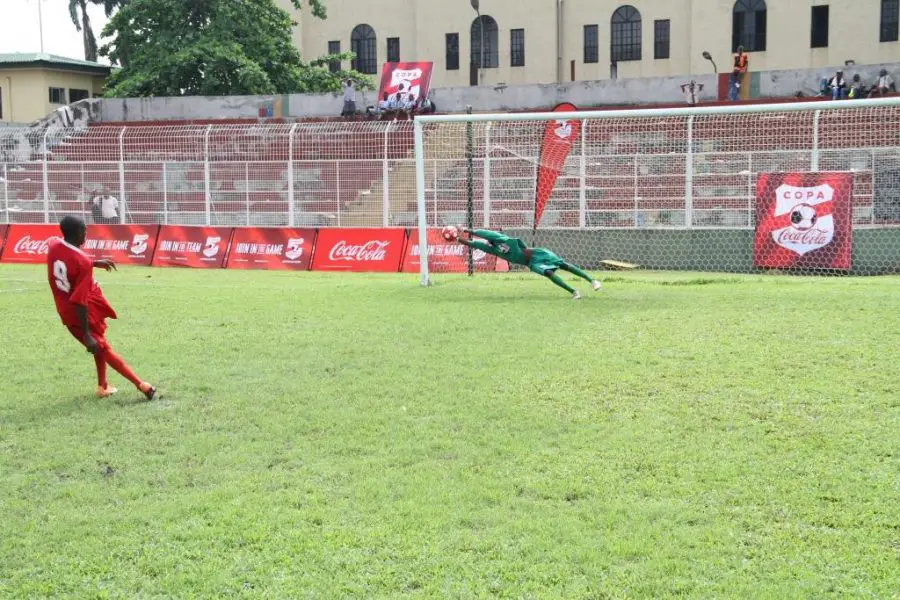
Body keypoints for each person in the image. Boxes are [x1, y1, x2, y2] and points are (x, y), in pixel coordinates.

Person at [47, 215, 157, 400]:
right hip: (77, 313)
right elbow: (79, 301)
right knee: (102, 347)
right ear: (77, 233)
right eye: (84, 230)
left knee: (100, 346)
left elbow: (69, 259)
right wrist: (86, 334)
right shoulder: (82, 261)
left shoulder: (53, 245)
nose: (86, 234)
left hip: (67, 308)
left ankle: (102, 386)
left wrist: (93, 262)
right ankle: (142, 385)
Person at [456, 227, 601, 299]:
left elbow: (484, 233)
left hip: (537, 253)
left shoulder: (500, 238)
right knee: (548, 273)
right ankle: (574, 292)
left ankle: (592, 280)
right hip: (531, 263)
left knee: (563, 265)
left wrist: (467, 230)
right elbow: (473, 244)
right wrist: (457, 238)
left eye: (489, 240)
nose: (488, 241)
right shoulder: (493, 250)